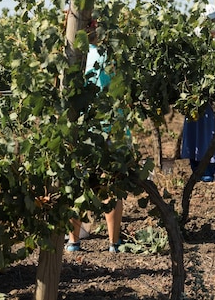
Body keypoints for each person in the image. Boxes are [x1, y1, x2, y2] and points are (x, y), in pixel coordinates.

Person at [66, 19, 124, 253]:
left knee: (78, 186)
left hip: (79, 130)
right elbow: (117, 91)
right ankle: (113, 243)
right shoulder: (106, 55)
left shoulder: (69, 57)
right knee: (110, 186)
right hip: (108, 128)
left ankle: (73, 242)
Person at [181, 4, 215, 181]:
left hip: (214, 101)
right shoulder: (194, 43)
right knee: (198, 134)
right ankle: (199, 173)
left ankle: (210, 175)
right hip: (198, 101)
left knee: (211, 134)